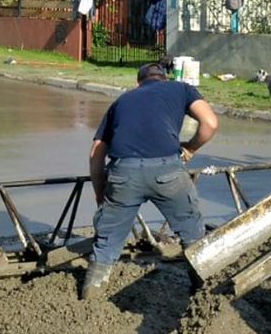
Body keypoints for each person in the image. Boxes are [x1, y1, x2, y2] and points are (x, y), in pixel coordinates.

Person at [81, 61, 219, 300]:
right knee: (193, 235)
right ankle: (204, 293)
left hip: (124, 173)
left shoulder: (122, 101)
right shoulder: (181, 88)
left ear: (138, 83)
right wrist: (191, 148)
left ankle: (90, 300)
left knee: (105, 246)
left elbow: (96, 152)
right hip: (168, 171)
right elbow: (210, 123)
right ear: (163, 78)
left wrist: (100, 192)